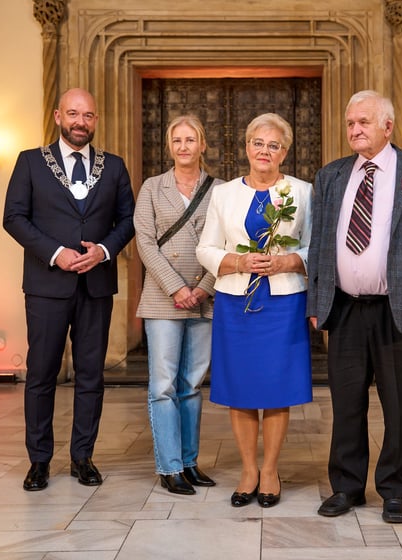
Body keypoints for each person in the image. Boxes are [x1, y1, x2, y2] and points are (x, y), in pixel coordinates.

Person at [307, 90, 402, 524]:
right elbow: (320, 247)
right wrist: (318, 300)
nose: (355, 130)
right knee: (346, 403)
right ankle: (347, 487)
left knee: (399, 403)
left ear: (387, 127)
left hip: (401, 308)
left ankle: (394, 489)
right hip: (346, 309)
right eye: (351, 123)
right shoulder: (332, 176)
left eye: (364, 123)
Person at [3, 88, 136, 491]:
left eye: (89, 116)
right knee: (41, 373)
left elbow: (128, 220)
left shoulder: (113, 166)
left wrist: (105, 250)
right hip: (47, 285)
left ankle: (83, 457)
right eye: (74, 114)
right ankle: (39, 461)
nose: (81, 122)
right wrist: (56, 253)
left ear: (96, 120)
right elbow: (14, 218)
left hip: (95, 284)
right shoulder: (30, 163)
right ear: (59, 115)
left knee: (91, 375)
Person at [196, 113, 312, 509]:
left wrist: (289, 262)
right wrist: (237, 262)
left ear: (285, 152)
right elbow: (205, 248)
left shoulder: (303, 192)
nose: (265, 151)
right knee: (241, 391)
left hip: (283, 301)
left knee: (277, 390)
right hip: (235, 301)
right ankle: (248, 470)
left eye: (274, 145)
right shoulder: (223, 193)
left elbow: (316, 248)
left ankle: (270, 471)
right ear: (246, 147)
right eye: (258, 143)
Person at [135, 115, 223, 495]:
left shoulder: (220, 190)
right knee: (163, 385)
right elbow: (144, 242)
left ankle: (189, 462)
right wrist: (175, 288)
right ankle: (169, 466)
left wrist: (203, 288)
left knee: (191, 384)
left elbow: (227, 243)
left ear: (203, 144)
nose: (184, 146)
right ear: (169, 146)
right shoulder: (152, 188)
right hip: (162, 299)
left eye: (191, 139)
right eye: (177, 140)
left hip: (205, 299)